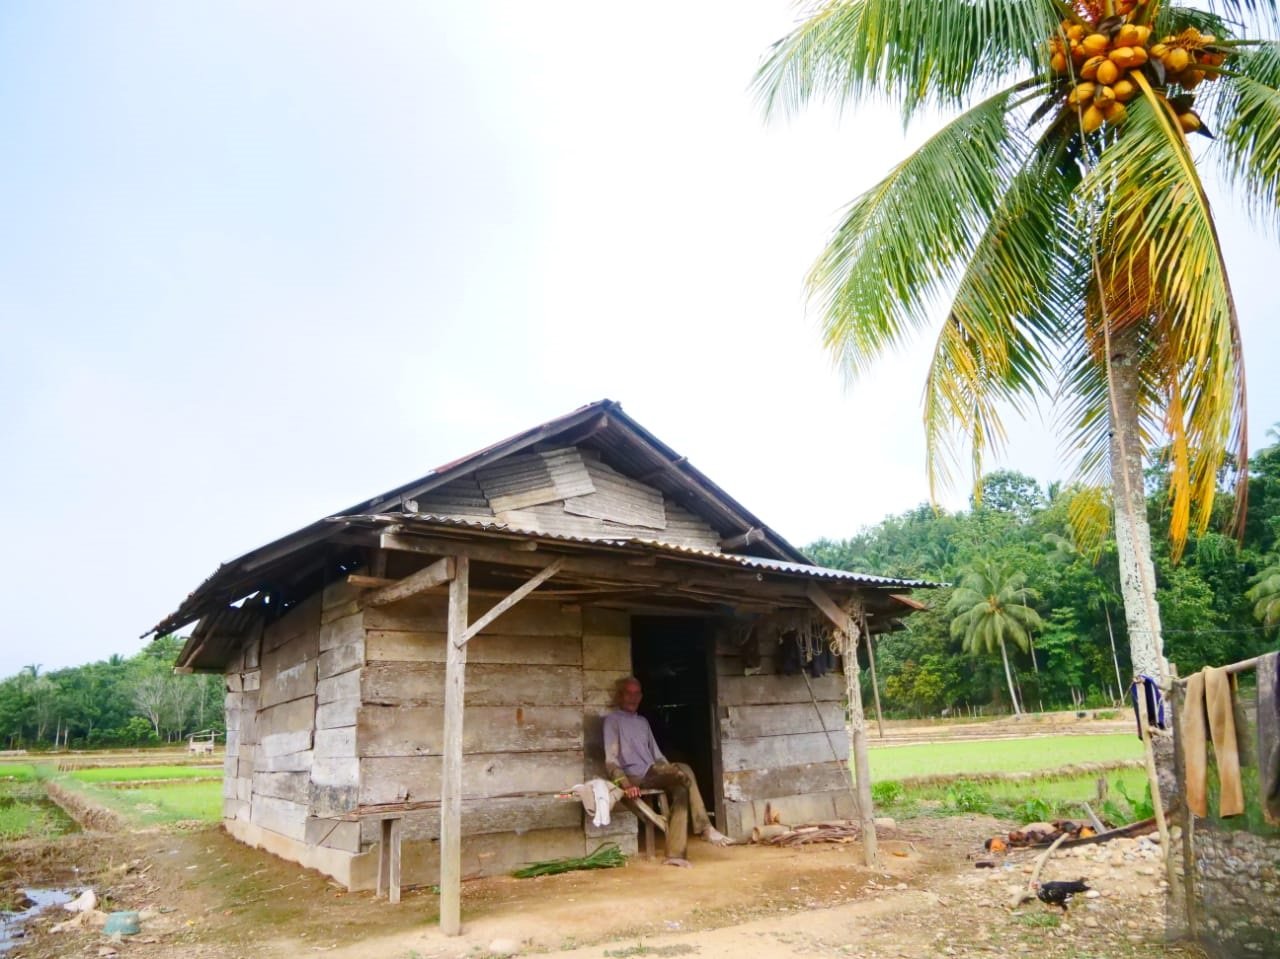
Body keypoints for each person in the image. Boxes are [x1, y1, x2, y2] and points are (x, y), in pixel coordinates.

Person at [602, 676, 732, 864]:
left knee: (681, 788)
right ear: (620, 696)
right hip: (636, 777)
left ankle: (675, 855)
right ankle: (705, 828)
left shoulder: (642, 722)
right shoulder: (612, 721)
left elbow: (658, 755)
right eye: (628, 693)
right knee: (684, 769)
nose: (633, 698)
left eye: (637, 693)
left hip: (653, 772)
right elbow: (610, 760)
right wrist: (625, 784)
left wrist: (670, 770)